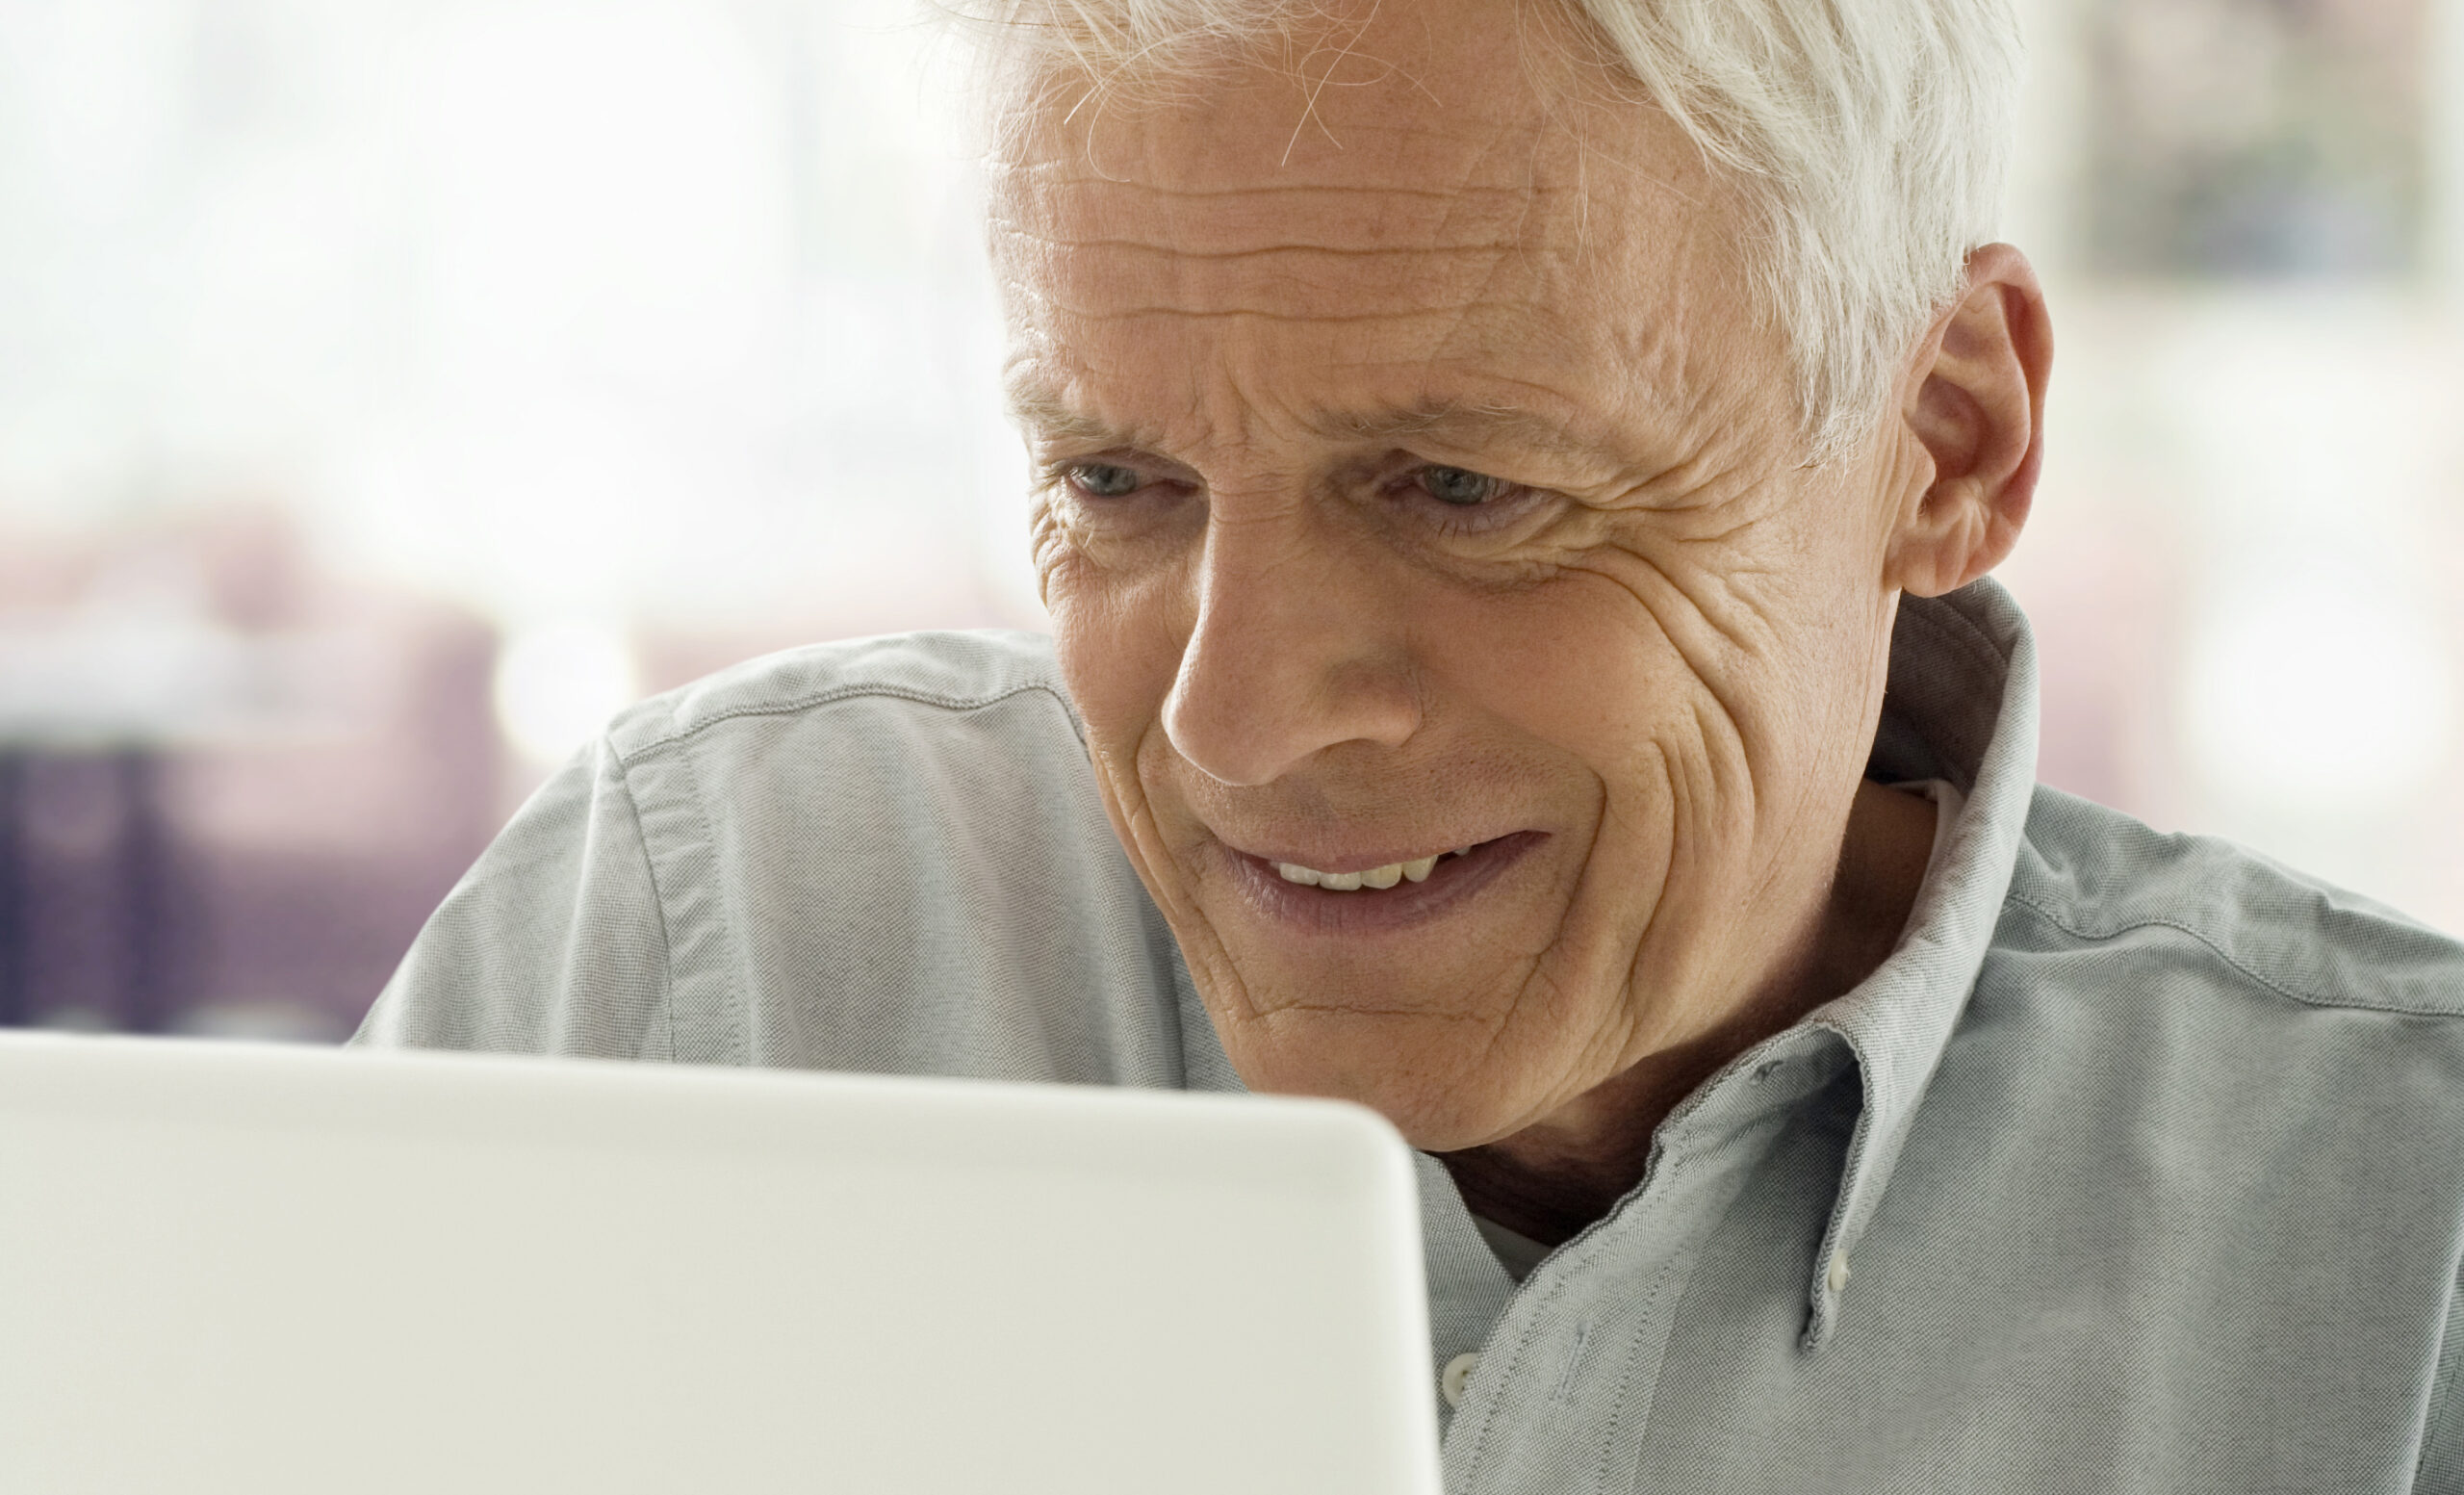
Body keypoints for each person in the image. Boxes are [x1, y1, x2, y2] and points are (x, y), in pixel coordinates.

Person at [356, 0, 2464, 1485]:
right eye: (1115, 482)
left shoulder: (2397, 1241)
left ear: (1943, 440)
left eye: (1463, 490)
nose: (1231, 723)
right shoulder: (701, 954)